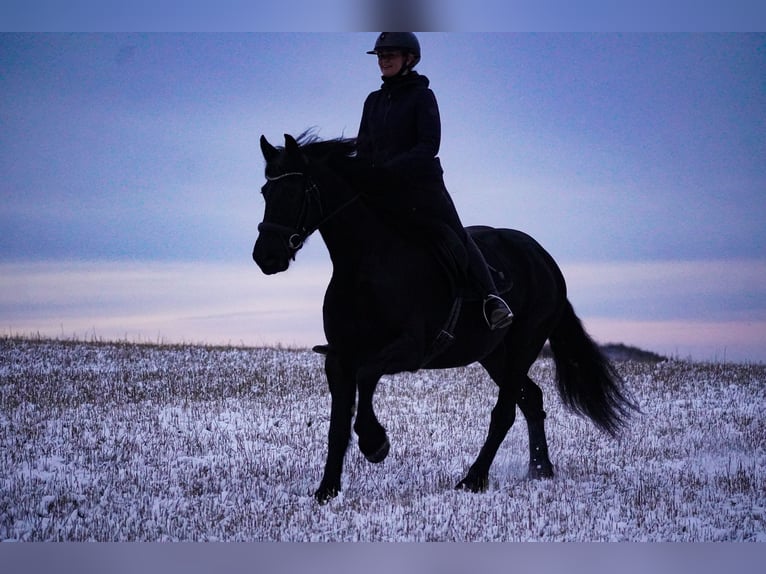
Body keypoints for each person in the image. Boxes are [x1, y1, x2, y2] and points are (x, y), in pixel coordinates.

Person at [357, 32, 514, 330]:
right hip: (380, 191)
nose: (383, 60)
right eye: (380, 55)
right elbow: (364, 148)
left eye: (390, 54)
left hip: (422, 187)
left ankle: (491, 299)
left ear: (409, 59)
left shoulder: (422, 96)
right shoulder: (373, 101)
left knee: (456, 235)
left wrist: (390, 169)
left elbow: (429, 145)